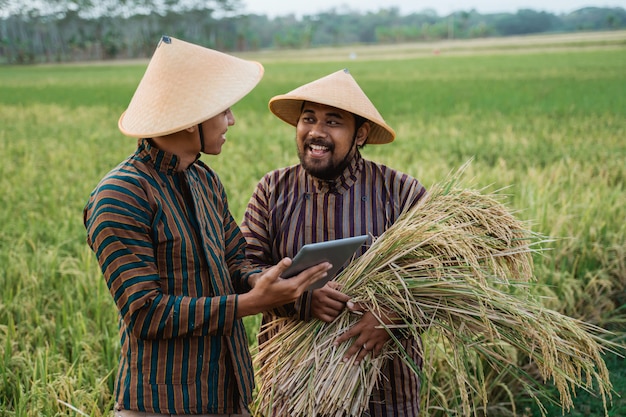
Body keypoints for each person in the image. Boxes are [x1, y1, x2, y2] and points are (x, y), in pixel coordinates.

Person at [83, 36, 331, 417]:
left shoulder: (204, 179)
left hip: (229, 396)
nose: (231, 119)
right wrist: (250, 304)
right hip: (161, 405)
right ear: (190, 120)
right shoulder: (120, 195)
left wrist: (268, 283)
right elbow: (145, 313)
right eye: (223, 109)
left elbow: (236, 257)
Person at [241, 68, 427, 416]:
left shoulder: (401, 192)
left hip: (384, 387)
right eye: (308, 118)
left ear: (361, 134)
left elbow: (440, 275)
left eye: (333, 122)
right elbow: (244, 266)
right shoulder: (272, 190)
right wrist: (299, 297)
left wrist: (392, 316)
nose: (316, 132)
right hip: (291, 384)